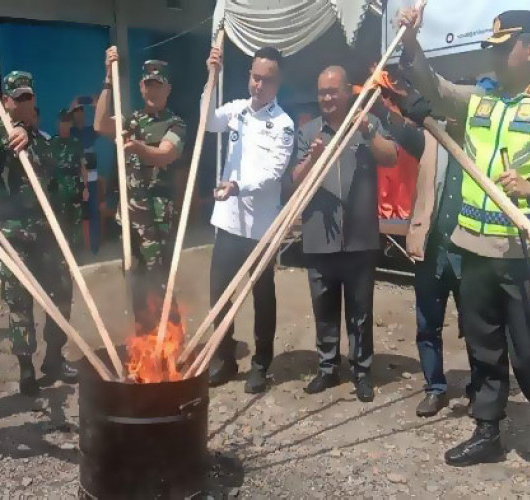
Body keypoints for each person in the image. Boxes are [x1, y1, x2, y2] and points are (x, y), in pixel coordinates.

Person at [399, 7, 530, 466]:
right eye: (491, 48)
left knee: (527, 356)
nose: (494, 57)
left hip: (521, 255)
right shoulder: (479, 100)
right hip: (473, 249)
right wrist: (411, 46)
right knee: (484, 348)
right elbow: (435, 89)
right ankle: (488, 432)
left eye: (504, 48)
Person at [289, 66, 398, 403]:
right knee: (323, 305)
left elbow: (391, 157)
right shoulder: (308, 131)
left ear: (348, 92)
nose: (327, 98)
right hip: (319, 234)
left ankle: (362, 372)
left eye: (333, 91)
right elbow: (295, 179)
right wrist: (313, 159)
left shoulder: (366, 124)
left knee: (360, 309)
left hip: (359, 236)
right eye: (322, 91)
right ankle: (327, 367)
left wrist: (367, 131)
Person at [204, 46, 295, 393]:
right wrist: (210, 79)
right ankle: (224, 358)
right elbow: (208, 121)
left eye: (267, 80)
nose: (259, 85)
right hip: (228, 221)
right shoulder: (237, 110)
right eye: (255, 77)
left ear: (278, 82)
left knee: (262, 296)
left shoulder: (283, 124)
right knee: (218, 294)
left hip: (260, 227)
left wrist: (238, 186)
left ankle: (261, 364)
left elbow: (274, 173)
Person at [0, 71, 78, 397]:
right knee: (19, 301)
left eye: (28, 97)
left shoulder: (45, 142)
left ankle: (54, 358)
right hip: (14, 233)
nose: (23, 102)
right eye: (17, 97)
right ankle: (26, 370)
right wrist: (19, 131)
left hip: (46, 232)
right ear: (6, 101)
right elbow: (0, 137)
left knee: (62, 292)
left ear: (34, 100)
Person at [94, 51, 186, 334]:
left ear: (168, 89)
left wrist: (138, 148)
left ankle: (170, 341)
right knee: (136, 280)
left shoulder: (175, 123)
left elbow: (165, 154)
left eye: (158, 85)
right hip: (131, 219)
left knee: (160, 281)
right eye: (148, 84)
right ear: (140, 86)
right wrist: (108, 79)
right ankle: (144, 342)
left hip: (158, 220)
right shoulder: (131, 121)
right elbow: (100, 125)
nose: (152, 90)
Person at [405, 113, 477, 417]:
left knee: (477, 328)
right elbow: (400, 135)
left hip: (471, 253)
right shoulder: (430, 137)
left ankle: (481, 389)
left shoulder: (480, 142)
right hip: (432, 250)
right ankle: (435, 388)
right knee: (427, 326)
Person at [50, 109, 87, 264]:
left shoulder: (76, 144)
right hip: (57, 191)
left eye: (67, 122)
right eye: (62, 122)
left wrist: (86, 188)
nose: (64, 125)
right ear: (58, 123)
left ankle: (76, 257)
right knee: (59, 224)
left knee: (76, 224)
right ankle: (61, 258)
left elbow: (84, 167)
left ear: (71, 124)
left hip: (75, 190)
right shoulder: (51, 143)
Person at [70, 97, 101, 254]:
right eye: (76, 112)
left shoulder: (91, 131)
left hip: (93, 180)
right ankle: (79, 250)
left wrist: (95, 105)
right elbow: (64, 123)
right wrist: (73, 105)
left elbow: (101, 123)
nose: (79, 114)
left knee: (94, 213)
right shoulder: (71, 132)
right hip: (77, 181)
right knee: (77, 215)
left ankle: (94, 249)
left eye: (81, 111)